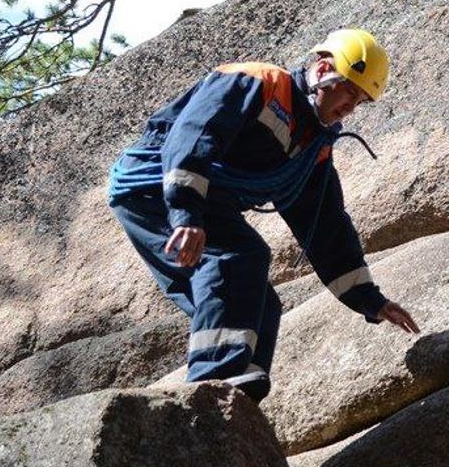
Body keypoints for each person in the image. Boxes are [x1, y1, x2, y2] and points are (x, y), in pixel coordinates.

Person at [107, 28, 419, 401]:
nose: (351, 106)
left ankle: (241, 395)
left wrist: (371, 301)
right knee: (237, 256)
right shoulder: (258, 82)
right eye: (349, 90)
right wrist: (186, 215)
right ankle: (211, 385)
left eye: (362, 100)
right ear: (322, 70)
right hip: (154, 186)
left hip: (196, 200)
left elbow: (327, 230)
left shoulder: (312, 148)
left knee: (260, 302)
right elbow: (192, 136)